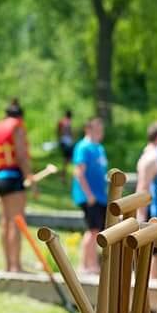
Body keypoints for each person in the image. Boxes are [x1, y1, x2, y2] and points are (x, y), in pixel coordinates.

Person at [0, 100, 34, 272]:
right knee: (17, 221)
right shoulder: (17, 127)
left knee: (5, 222)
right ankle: (16, 266)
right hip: (13, 176)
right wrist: (31, 178)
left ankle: (8, 265)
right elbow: (21, 155)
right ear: (20, 116)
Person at [71, 118, 108, 275]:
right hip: (90, 196)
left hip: (101, 196)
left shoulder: (99, 148)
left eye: (101, 129)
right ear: (88, 129)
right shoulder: (83, 147)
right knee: (93, 230)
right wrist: (89, 195)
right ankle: (88, 265)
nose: (100, 133)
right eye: (97, 129)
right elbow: (79, 172)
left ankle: (92, 264)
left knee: (99, 230)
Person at [57, 109, 75, 183]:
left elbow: (58, 131)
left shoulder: (61, 121)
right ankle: (64, 176)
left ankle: (63, 176)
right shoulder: (68, 122)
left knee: (66, 160)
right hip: (67, 142)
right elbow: (69, 132)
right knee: (69, 159)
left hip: (63, 142)